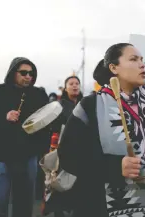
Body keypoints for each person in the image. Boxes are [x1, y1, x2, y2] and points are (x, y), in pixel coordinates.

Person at [58, 43, 145, 217]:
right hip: (104, 206)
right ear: (113, 67)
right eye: (133, 59)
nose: (142, 64)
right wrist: (114, 166)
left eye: (142, 60)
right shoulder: (91, 106)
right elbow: (68, 156)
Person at [0, 57, 50, 217]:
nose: (28, 76)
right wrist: (4, 116)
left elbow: (46, 123)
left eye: (31, 73)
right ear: (13, 72)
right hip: (0, 155)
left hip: (27, 155)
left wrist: (43, 149)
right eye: (24, 72)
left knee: (24, 203)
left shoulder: (38, 94)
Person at [42, 75, 84, 217]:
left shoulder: (85, 104)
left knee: (80, 184)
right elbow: (53, 127)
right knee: (61, 182)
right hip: (63, 149)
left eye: (77, 83)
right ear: (65, 88)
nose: (75, 86)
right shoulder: (59, 106)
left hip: (82, 150)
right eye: (71, 83)